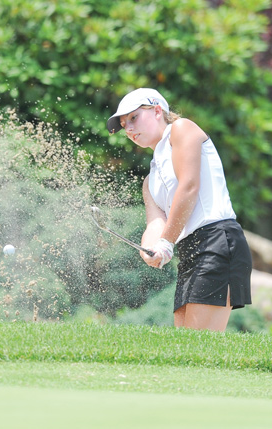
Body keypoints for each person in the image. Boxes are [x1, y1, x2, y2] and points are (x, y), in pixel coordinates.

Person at [106, 88, 252, 331]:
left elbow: (189, 187)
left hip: (217, 241)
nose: (128, 129)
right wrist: (151, 249)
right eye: (123, 124)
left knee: (199, 348)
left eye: (133, 118)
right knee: (185, 345)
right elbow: (155, 223)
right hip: (189, 251)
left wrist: (166, 243)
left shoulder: (182, 128)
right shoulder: (149, 181)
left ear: (157, 111)